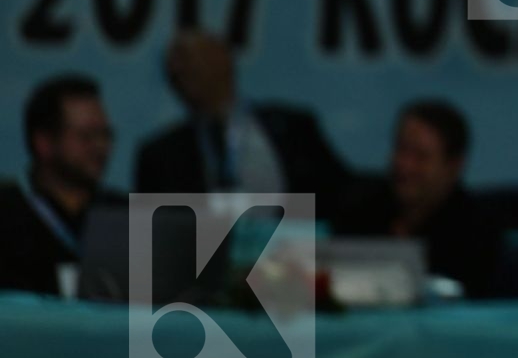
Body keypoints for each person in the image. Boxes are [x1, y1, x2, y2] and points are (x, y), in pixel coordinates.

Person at [135, 30, 350, 220]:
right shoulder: (160, 154)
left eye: (187, 57)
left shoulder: (293, 130)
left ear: (224, 59)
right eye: (172, 65)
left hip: (287, 255)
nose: (177, 68)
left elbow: (340, 193)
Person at [333, 100, 503, 299]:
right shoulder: (360, 208)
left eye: (421, 156)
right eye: (401, 149)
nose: (405, 165)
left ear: (454, 165)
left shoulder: (477, 230)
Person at [0, 75, 122, 295]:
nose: (100, 147)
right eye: (86, 136)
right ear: (44, 143)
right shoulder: (9, 215)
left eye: (105, 134)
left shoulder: (124, 214)